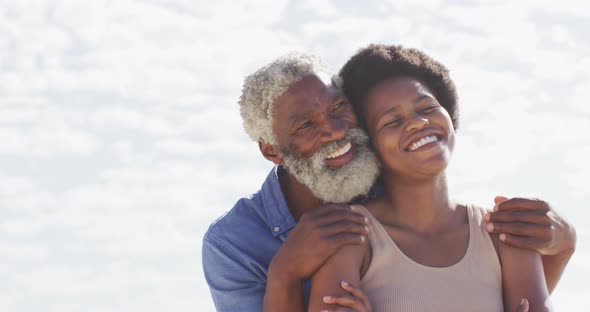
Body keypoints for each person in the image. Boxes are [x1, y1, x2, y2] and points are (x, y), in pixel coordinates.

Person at [202, 52, 576, 312]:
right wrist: (284, 272)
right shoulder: (233, 244)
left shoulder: (388, 177)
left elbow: (481, 289)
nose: (334, 131)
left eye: (337, 108)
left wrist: (565, 244)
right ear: (272, 150)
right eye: (305, 125)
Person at [307, 44, 564, 311]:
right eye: (392, 122)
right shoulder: (348, 236)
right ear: (369, 145)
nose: (417, 122)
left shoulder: (505, 235)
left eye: (427, 108)